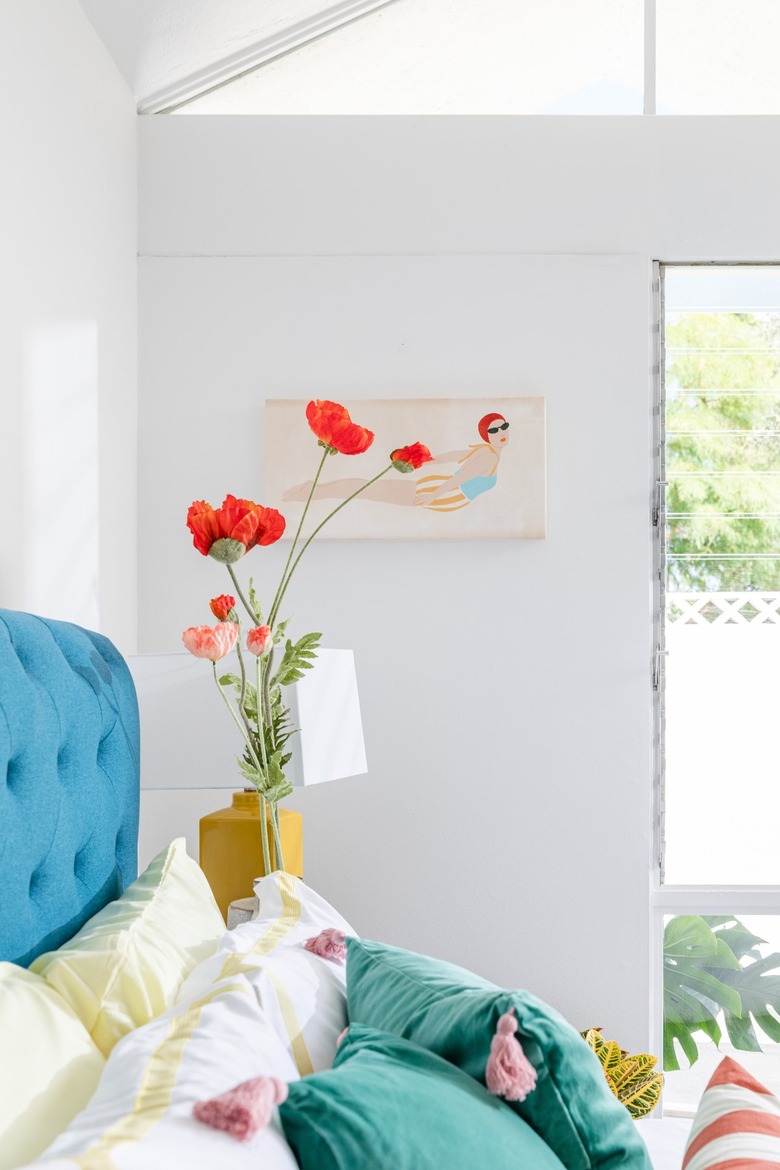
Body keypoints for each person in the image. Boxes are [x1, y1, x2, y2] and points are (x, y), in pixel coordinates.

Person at [282, 412, 510, 510]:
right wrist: (432, 496)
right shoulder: (488, 456)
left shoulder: (483, 452)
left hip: (441, 492)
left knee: (370, 489)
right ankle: (313, 491)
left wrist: (423, 461)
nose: (501, 432)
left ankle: (316, 489)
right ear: (485, 435)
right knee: (369, 490)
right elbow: (460, 476)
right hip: (443, 493)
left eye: (504, 426)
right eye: (494, 429)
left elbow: (448, 458)